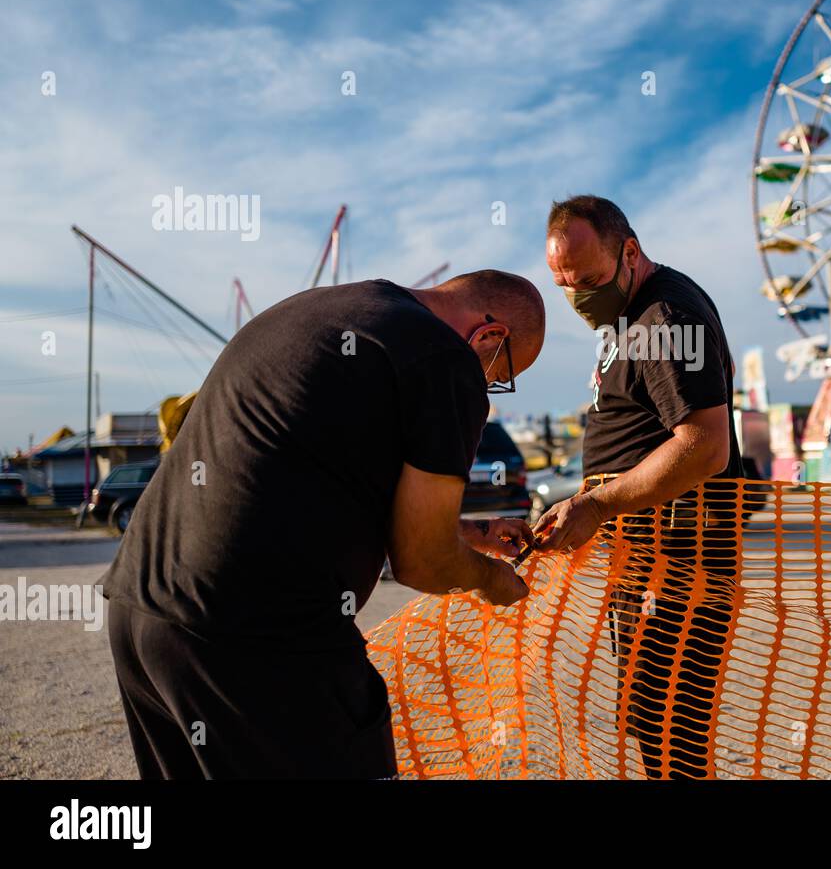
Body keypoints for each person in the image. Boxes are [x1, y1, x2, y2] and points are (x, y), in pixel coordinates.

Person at [101, 271, 544, 779]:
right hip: (254, 633)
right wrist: (491, 582)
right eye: (499, 372)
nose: (488, 383)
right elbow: (423, 561)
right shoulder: (443, 357)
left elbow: (317, 484)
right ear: (490, 336)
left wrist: (472, 534)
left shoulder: (318, 312)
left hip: (142, 610)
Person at [536, 195, 743, 779]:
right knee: (654, 725)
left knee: (673, 730)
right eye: (565, 284)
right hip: (646, 556)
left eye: (592, 279)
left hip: (679, 560)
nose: (579, 297)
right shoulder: (631, 315)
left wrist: (597, 503)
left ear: (630, 251)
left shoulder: (666, 317)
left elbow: (705, 444)